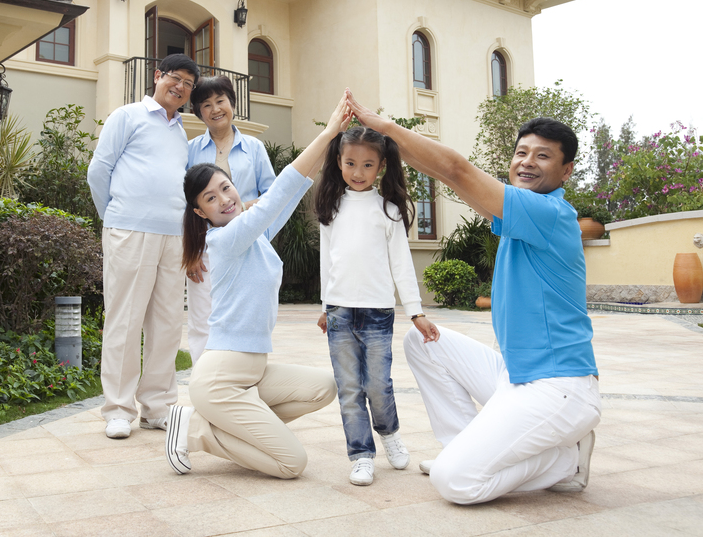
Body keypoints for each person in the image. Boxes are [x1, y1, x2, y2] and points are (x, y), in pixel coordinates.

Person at [345, 89, 600, 506]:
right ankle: (465, 446)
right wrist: (391, 144)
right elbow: (448, 175)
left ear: (566, 169)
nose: (527, 162)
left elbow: (458, 169)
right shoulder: (524, 212)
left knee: (454, 483)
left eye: (543, 156)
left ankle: (563, 461)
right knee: (423, 343)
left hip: (558, 387)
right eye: (522, 152)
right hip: (516, 375)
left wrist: (383, 127)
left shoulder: (550, 214)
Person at [164, 95, 351, 479]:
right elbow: (278, 194)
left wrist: (333, 143)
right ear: (201, 213)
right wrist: (329, 131)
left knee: (324, 388)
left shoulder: (255, 235)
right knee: (290, 464)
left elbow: (290, 194)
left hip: (253, 371)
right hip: (222, 378)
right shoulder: (227, 239)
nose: (225, 200)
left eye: (226, 188)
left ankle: (214, 424)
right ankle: (198, 430)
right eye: (211, 199)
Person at [86, 53, 200, 440]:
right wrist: (115, 216)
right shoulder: (127, 116)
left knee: (167, 324)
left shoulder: (181, 132)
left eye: (188, 83)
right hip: (129, 231)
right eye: (174, 77)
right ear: (157, 76)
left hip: (174, 236)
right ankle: (118, 409)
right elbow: (98, 171)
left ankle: (158, 407)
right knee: (125, 320)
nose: (180, 86)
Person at [313, 126, 435, 486]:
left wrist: (416, 311)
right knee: (350, 388)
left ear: (381, 166)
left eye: (367, 165)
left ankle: (390, 433)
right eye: (350, 163)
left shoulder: (389, 209)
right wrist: (325, 305)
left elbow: (401, 263)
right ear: (338, 162)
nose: (358, 172)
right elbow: (327, 261)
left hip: (378, 313)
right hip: (338, 312)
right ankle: (361, 454)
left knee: (379, 385)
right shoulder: (331, 207)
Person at [185, 74, 275, 363]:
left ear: (231, 103)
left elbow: (273, 198)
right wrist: (192, 251)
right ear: (199, 112)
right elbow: (186, 205)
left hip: (248, 246)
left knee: (247, 319)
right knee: (202, 322)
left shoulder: (254, 148)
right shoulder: (191, 151)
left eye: (220, 101)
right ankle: (205, 385)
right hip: (207, 248)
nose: (215, 109)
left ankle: (243, 381)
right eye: (206, 104)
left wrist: (245, 210)